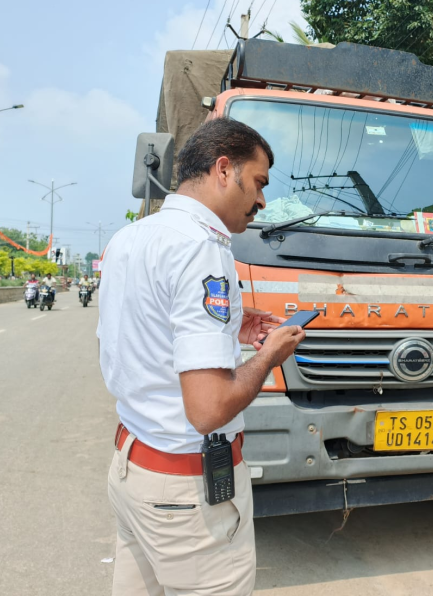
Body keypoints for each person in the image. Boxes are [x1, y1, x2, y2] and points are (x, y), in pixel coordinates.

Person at [98, 117, 306, 596]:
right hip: (185, 493)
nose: (262, 202)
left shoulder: (131, 238)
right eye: (258, 183)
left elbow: (144, 336)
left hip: (133, 469)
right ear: (224, 169)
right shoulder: (203, 248)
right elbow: (208, 408)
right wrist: (267, 356)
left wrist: (230, 324)